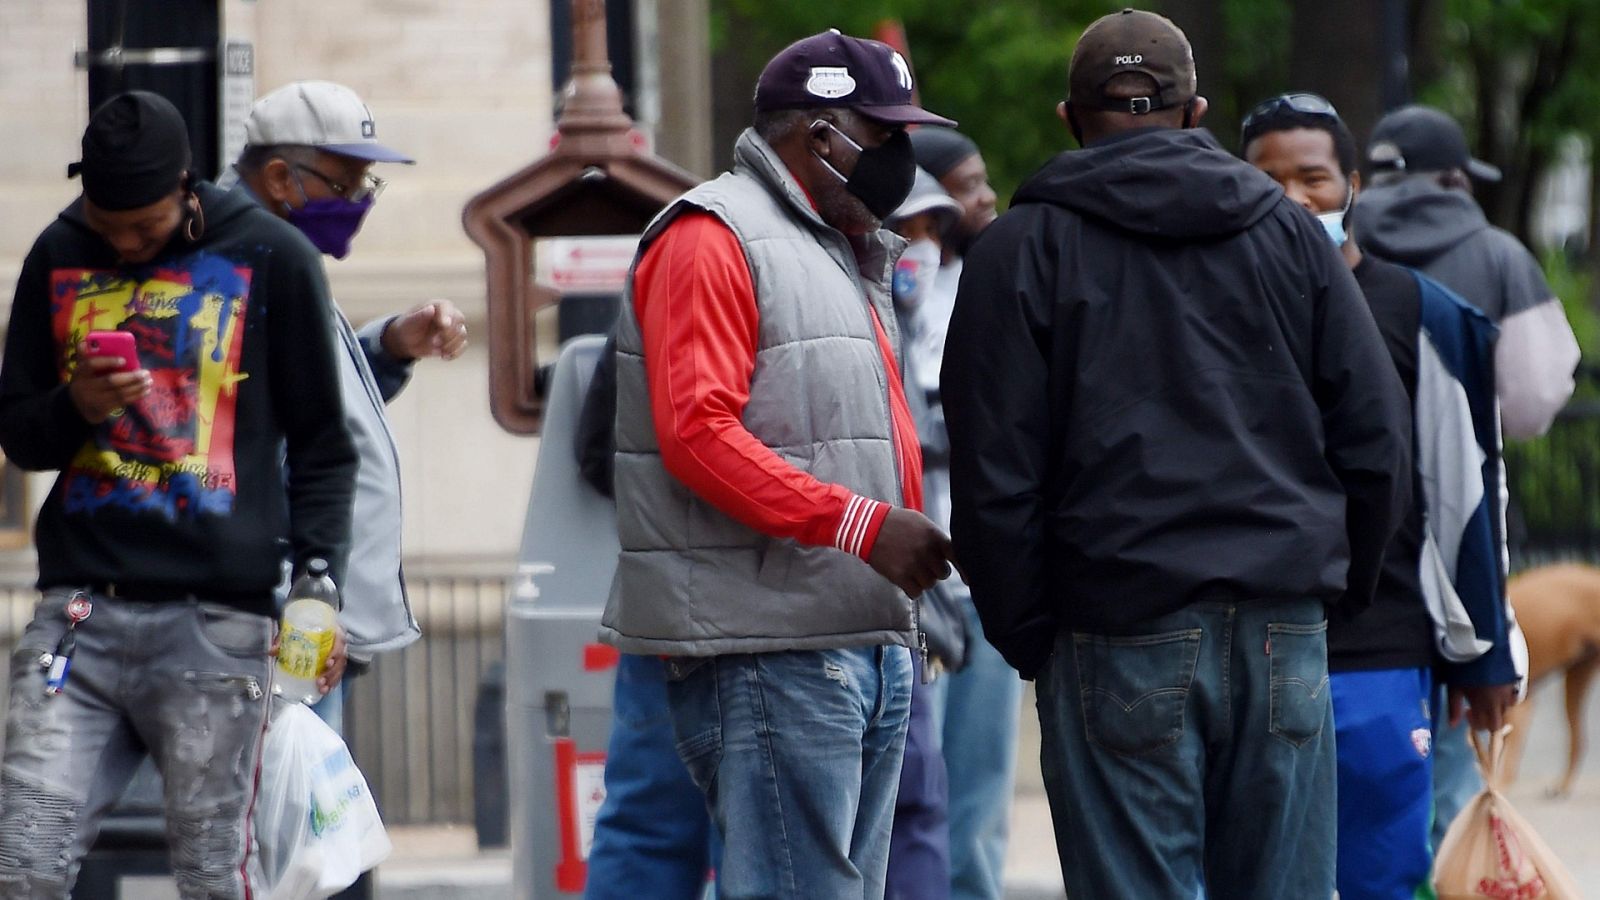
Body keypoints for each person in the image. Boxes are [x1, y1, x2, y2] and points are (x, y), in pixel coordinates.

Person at [941, 11, 1411, 899]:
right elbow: (1377, 434)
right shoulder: (1290, 236)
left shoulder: (1018, 251)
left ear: (1069, 116)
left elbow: (993, 468)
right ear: (1193, 111)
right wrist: (1333, 593)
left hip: (1115, 619)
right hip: (1282, 614)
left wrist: (1030, 634)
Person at [598, 29, 959, 900]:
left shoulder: (840, 243)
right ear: (819, 134)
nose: (900, 158)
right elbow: (697, 433)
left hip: (855, 631)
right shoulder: (711, 236)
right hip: (771, 645)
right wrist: (861, 525)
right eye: (883, 136)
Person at [0, 91, 355, 899]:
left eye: (146, 230)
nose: (123, 246)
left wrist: (318, 580)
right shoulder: (57, 251)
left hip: (218, 626)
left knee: (215, 875)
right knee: (23, 865)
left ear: (188, 190)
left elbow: (325, 446)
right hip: (79, 617)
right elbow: (21, 435)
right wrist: (76, 407)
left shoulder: (273, 257)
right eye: (107, 226)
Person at [1242, 92, 1522, 900]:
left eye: (1315, 178)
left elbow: (1467, 490)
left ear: (1353, 184)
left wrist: (1485, 651)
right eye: (1270, 178)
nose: (1295, 198)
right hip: (1240, 649)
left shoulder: (1422, 311)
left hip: (1381, 649)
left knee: (1381, 875)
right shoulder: (1209, 308)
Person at [1352, 103, 1577, 846]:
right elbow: (1539, 400)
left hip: (1344, 537)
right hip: (1462, 522)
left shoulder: (1322, 242)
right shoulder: (1495, 253)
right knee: (1456, 738)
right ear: (1454, 178)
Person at [227, 80, 469, 732]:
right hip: (289, 621)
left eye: (367, 184)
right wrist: (298, 601)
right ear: (280, 176)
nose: (358, 203)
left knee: (307, 817)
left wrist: (388, 347)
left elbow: (310, 411)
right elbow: (246, 452)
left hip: (313, 616)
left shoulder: (284, 257)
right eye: (344, 182)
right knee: (289, 822)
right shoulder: (242, 265)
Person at [907, 125, 1019, 900]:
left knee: (978, 792)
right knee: (917, 786)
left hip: (987, 578)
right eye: (963, 187)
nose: (983, 199)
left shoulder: (1003, 282)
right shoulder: (891, 288)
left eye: (983, 183)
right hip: (914, 577)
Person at [883, 168, 963, 900]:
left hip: (915, 612)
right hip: (847, 616)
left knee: (921, 808)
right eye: (907, 229)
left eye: (934, 230)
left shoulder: (923, 326)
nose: (922, 248)